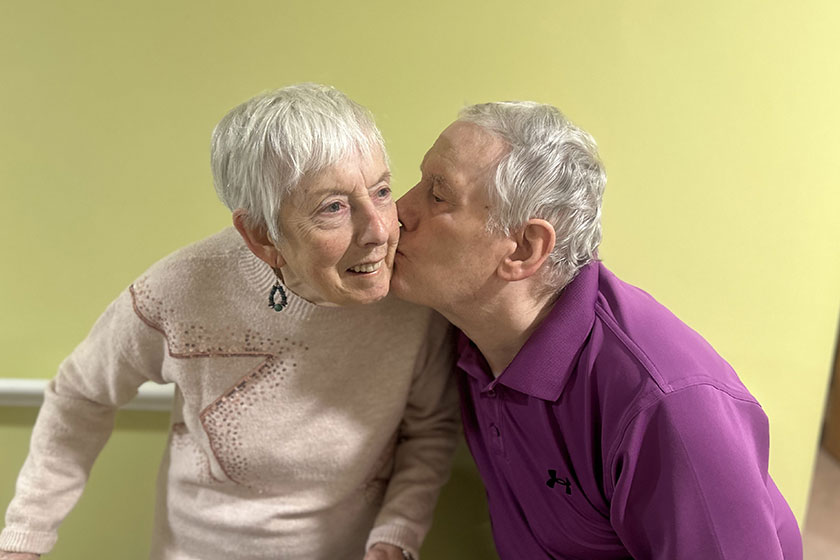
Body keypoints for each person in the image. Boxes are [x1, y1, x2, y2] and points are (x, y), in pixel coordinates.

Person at [0, 84, 458, 560]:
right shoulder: (180, 292)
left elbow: (430, 428)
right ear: (261, 235)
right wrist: (24, 539)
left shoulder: (412, 296)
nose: (380, 231)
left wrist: (396, 535)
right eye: (333, 207)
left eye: (381, 191)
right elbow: (81, 396)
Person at [390, 101, 802, 559]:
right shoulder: (468, 331)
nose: (398, 210)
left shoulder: (667, 406)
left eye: (438, 195)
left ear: (525, 249)